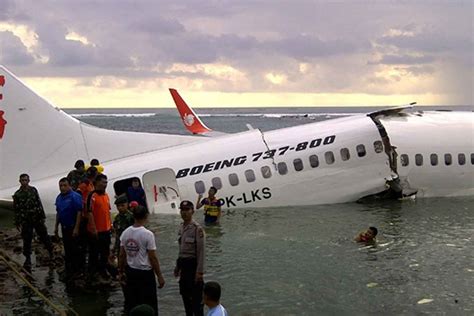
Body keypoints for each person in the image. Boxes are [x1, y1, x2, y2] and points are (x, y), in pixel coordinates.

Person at [119, 205, 165, 315]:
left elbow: (121, 255)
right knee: (149, 306)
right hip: (145, 274)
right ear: (146, 216)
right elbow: (152, 257)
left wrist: (120, 272)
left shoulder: (125, 233)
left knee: (132, 304)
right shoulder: (148, 234)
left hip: (130, 272)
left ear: (133, 216)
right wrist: (159, 276)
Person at [12, 174, 53, 269]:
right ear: (20, 181)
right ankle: (28, 258)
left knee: (44, 235)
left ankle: (51, 251)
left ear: (29, 180)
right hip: (26, 220)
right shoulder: (17, 194)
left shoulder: (33, 190)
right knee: (27, 239)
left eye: (26, 180)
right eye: (22, 180)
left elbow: (39, 202)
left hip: (37, 218)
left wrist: (42, 216)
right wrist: (17, 222)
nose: (24, 182)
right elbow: (16, 209)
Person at [174, 200, 205, 316]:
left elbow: (201, 251)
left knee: (197, 302)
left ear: (193, 211)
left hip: (193, 267)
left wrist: (200, 272)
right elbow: (181, 249)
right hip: (183, 267)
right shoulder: (182, 227)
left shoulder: (197, 229)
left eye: (187, 210)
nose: (184, 212)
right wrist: (177, 266)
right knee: (185, 298)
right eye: (182, 210)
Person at [54, 177, 83, 277]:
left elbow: (79, 212)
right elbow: (58, 212)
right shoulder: (59, 197)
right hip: (64, 226)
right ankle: (69, 268)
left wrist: (76, 228)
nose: (62, 188)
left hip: (73, 226)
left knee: (76, 249)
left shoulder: (75, 196)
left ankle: (78, 270)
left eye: (65, 185)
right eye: (61, 186)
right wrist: (56, 227)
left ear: (69, 185)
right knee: (67, 248)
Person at [86, 173, 112, 277]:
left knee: (105, 252)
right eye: (103, 182)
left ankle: (103, 270)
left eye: (106, 182)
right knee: (94, 252)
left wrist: (111, 224)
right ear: (97, 182)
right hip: (96, 230)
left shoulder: (106, 195)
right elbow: (89, 212)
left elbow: (108, 210)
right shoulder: (92, 196)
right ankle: (92, 271)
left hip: (106, 229)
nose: (105, 184)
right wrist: (93, 228)